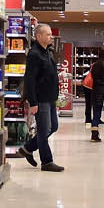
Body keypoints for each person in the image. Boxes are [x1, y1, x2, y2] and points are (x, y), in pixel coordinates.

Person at [20, 24, 64, 172]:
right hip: (41, 98)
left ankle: (28, 148)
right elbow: (30, 79)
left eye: (51, 34)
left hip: (50, 98)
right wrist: (33, 102)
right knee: (44, 130)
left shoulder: (47, 52)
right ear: (39, 36)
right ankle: (46, 162)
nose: (51, 36)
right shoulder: (34, 54)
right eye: (48, 34)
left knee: (53, 127)